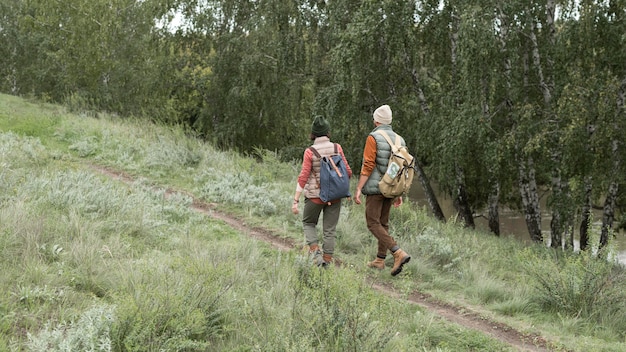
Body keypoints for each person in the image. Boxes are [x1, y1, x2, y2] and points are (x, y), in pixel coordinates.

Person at [354, 104, 411, 276]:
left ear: (376, 120)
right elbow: (400, 167)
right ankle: (380, 260)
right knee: (383, 223)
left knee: (372, 223)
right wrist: (398, 192)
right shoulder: (400, 140)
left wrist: (359, 187)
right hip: (391, 186)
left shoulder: (374, 137)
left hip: (376, 187)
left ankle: (397, 252)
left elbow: (369, 164)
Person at [292, 115, 353, 267]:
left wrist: (296, 200)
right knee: (329, 230)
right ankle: (327, 261)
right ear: (328, 132)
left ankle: (316, 254)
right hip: (336, 196)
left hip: (315, 196)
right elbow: (348, 172)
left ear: (313, 133)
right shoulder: (336, 148)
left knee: (308, 222)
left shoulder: (310, 151)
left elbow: (303, 176)